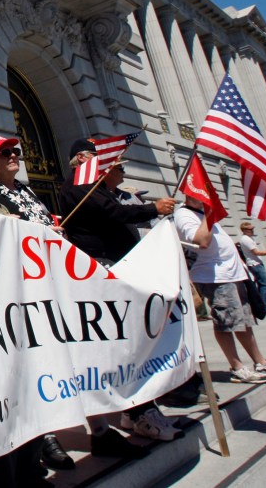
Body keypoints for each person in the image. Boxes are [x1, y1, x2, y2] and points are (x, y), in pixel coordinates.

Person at [58, 139, 179, 453]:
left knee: (133, 345)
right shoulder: (77, 187)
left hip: (121, 272)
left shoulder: (97, 188)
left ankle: (137, 408)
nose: (111, 164)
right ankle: (136, 412)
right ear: (82, 159)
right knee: (119, 347)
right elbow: (109, 212)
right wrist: (153, 208)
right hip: (101, 274)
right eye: (101, 158)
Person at [0, 135, 74, 474]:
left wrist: (52, 227)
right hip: (16, 292)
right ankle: (38, 443)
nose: (11, 157)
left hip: (47, 284)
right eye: (2, 152)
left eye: (15, 152)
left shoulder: (26, 191)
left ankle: (44, 433)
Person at [175, 196, 266, 384]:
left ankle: (260, 361)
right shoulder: (184, 215)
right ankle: (237, 367)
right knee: (225, 321)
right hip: (215, 276)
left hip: (233, 274)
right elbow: (201, 240)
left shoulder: (201, 213)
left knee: (243, 321)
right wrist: (209, 216)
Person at [237, 222, 266, 312]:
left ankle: (264, 304)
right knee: (265, 284)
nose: (252, 231)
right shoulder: (246, 239)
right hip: (255, 264)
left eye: (252, 229)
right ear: (245, 230)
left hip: (255, 263)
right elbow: (256, 252)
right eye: (250, 229)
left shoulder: (248, 238)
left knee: (262, 284)